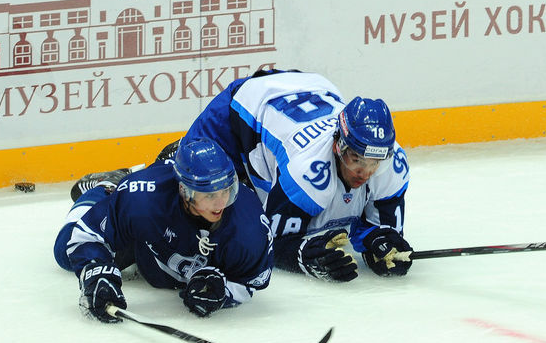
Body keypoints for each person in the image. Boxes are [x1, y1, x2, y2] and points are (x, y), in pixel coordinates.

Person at [166, 69, 413, 282]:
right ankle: (167, 160)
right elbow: (269, 240)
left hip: (314, 88)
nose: (365, 172)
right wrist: (304, 256)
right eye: (356, 159)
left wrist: (378, 244)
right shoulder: (307, 171)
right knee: (194, 191)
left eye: (375, 163)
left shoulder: (393, 165)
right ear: (337, 145)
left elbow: (379, 229)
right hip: (249, 105)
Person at [53, 138, 274, 323]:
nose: (220, 204)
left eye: (225, 191)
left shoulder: (249, 228)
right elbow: (86, 236)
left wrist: (223, 291)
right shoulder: (143, 199)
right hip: (144, 238)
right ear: (184, 190)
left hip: (163, 258)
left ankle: (169, 162)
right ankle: (107, 186)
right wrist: (97, 274)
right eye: (209, 195)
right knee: (64, 251)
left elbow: (252, 281)